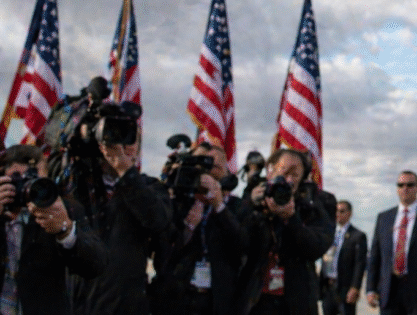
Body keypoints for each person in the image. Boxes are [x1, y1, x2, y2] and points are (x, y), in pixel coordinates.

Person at [73, 103, 173, 315]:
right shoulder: (79, 182)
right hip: (79, 300)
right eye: (114, 135)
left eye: (130, 138)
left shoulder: (151, 187)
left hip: (124, 303)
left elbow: (157, 220)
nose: (123, 145)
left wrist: (124, 171)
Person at [0, 145, 107, 315]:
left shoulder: (65, 209)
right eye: (16, 177)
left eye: (33, 177)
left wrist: (66, 231)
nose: (26, 184)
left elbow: (96, 264)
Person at [236, 148, 335, 315]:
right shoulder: (253, 199)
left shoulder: (313, 207)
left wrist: (291, 218)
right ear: (270, 170)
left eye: (295, 175)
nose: (288, 180)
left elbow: (316, 248)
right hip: (255, 300)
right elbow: (236, 242)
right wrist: (252, 206)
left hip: (295, 300)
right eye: (284, 171)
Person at [150, 141, 245, 315]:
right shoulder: (176, 201)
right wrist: (188, 227)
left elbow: (241, 245)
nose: (208, 170)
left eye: (216, 165)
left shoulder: (237, 207)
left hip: (216, 300)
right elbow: (162, 251)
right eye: (202, 163)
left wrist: (218, 206)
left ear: (226, 171)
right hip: (177, 296)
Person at [367, 171, 417, 315]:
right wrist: (370, 288)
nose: (405, 188)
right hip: (389, 290)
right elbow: (375, 256)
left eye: (410, 185)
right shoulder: (384, 218)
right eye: (401, 185)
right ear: (397, 188)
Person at [320, 200, 367, 315]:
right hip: (328, 288)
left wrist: (355, 287)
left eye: (341, 211)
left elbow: (359, 264)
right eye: (336, 211)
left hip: (345, 289)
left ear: (349, 214)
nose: (337, 214)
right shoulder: (329, 234)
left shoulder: (358, 236)